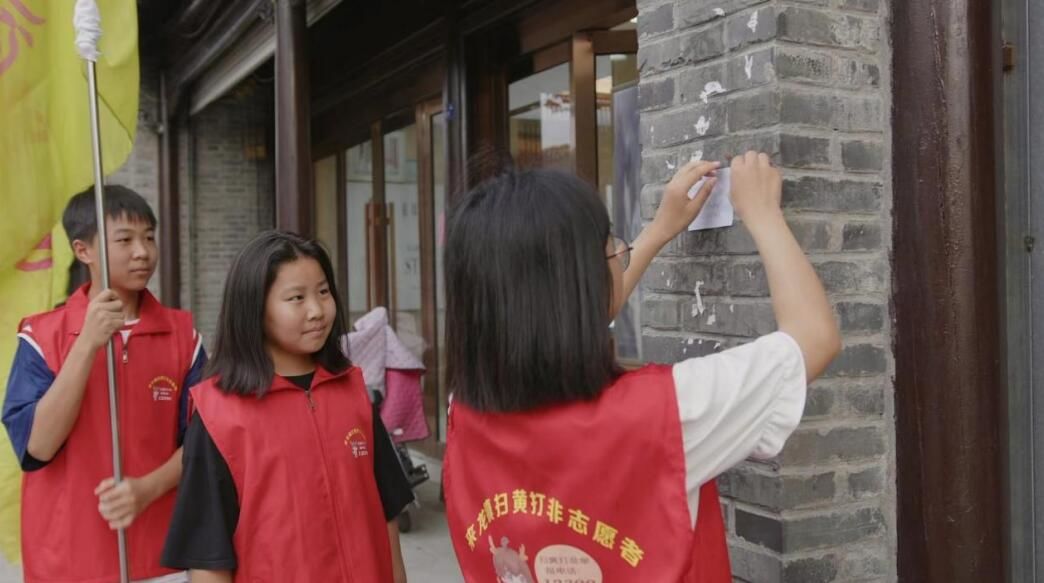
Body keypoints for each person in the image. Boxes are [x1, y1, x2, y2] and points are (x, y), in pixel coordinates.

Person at [441, 152, 842, 582]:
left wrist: (658, 231)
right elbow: (813, 339)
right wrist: (763, 213)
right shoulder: (668, 417)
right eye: (609, 248)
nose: (620, 252)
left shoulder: (462, 412)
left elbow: (567, 318)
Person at [161, 231, 413, 583]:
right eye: (296, 298)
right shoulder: (219, 415)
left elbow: (387, 514)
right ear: (254, 308)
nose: (317, 311)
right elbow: (208, 556)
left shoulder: (353, 392)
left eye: (323, 292)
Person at [2, 185, 205, 583]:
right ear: (83, 251)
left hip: (159, 559)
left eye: (149, 237)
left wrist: (147, 489)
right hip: (66, 562)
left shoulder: (184, 338)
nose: (142, 252)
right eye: (125, 240)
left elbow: (205, 440)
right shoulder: (41, 337)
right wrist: (87, 344)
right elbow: (37, 447)